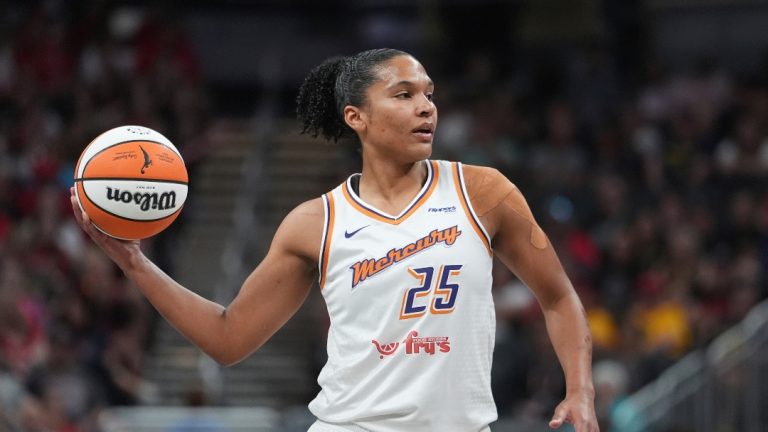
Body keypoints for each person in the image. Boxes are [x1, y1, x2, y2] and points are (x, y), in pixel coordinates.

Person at [70, 48, 598, 431]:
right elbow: (229, 338)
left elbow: (558, 296)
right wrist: (136, 264)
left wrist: (580, 390)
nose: (426, 107)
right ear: (356, 117)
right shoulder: (314, 222)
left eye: (429, 95)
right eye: (404, 94)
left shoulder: (484, 192)